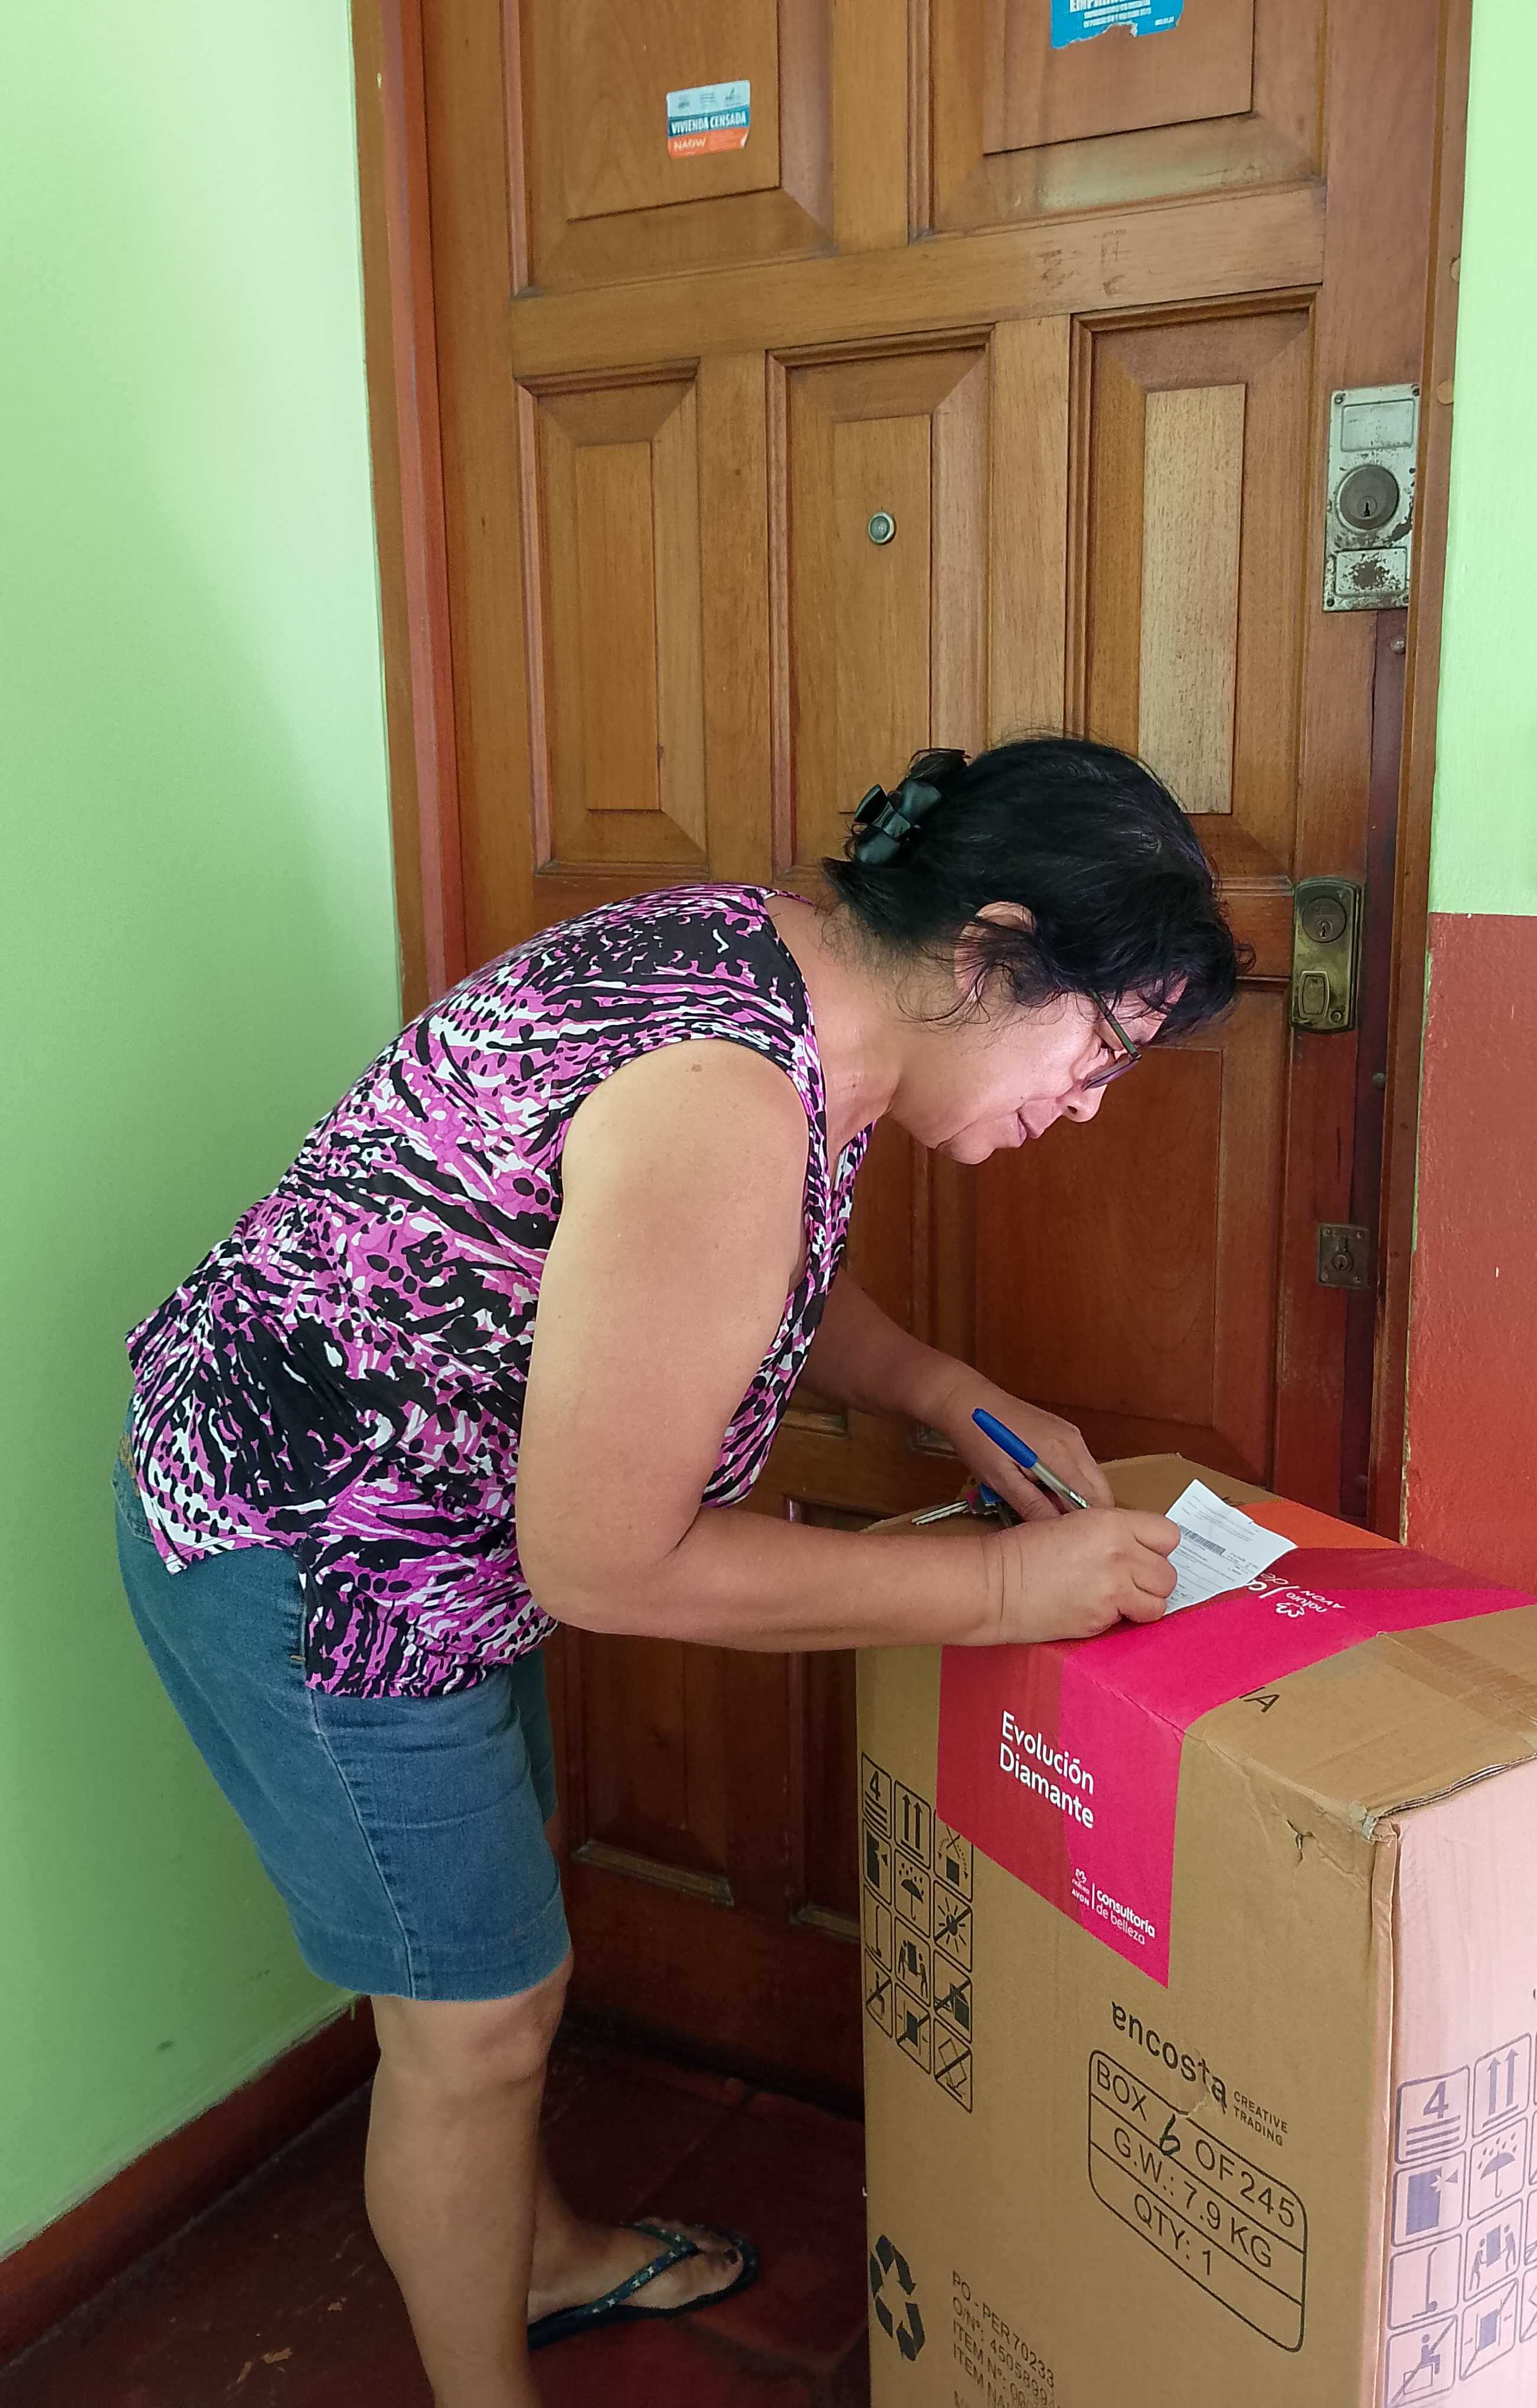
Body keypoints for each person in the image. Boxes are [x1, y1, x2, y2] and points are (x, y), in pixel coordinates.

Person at [114, 735, 1241, 2408]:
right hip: (315, 1556)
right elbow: (606, 1563)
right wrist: (1007, 1596)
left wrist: (940, 1390)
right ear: (990, 951)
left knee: (494, 1976)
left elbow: (728, 1273)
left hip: (421, 1535)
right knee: (475, 2026)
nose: (1085, 1103)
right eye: (1101, 1047)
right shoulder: (725, 1087)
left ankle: (539, 2258)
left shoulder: (782, 973)